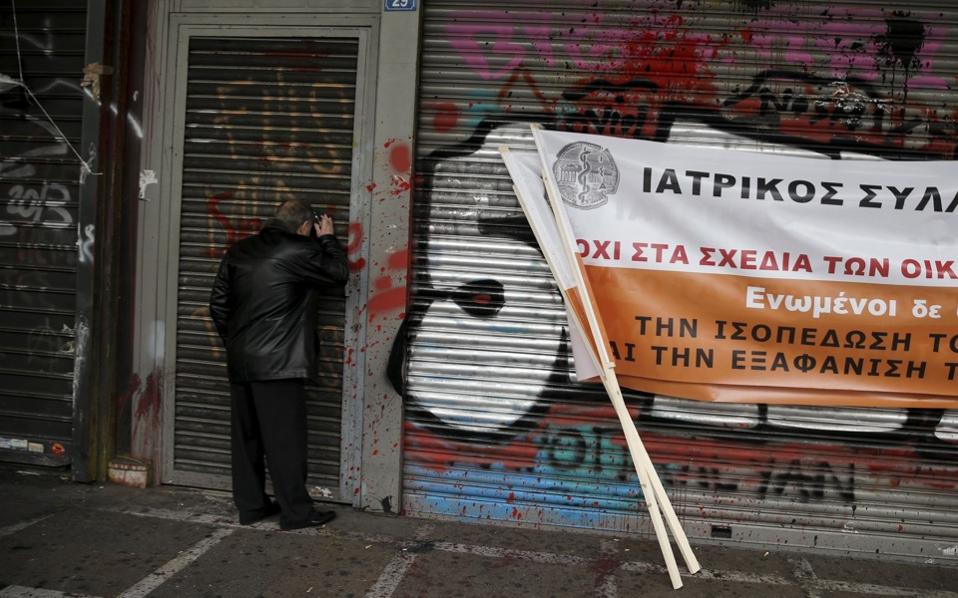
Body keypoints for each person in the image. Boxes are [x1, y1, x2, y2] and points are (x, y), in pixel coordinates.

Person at [209, 198, 348, 530]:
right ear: (303, 227)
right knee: (284, 440)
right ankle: (297, 513)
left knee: (247, 439)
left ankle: (252, 506)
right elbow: (338, 274)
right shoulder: (299, 249)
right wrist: (327, 239)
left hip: (242, 361)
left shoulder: (239, 250)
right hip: (279, 363)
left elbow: (217, 305)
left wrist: (239, 345)